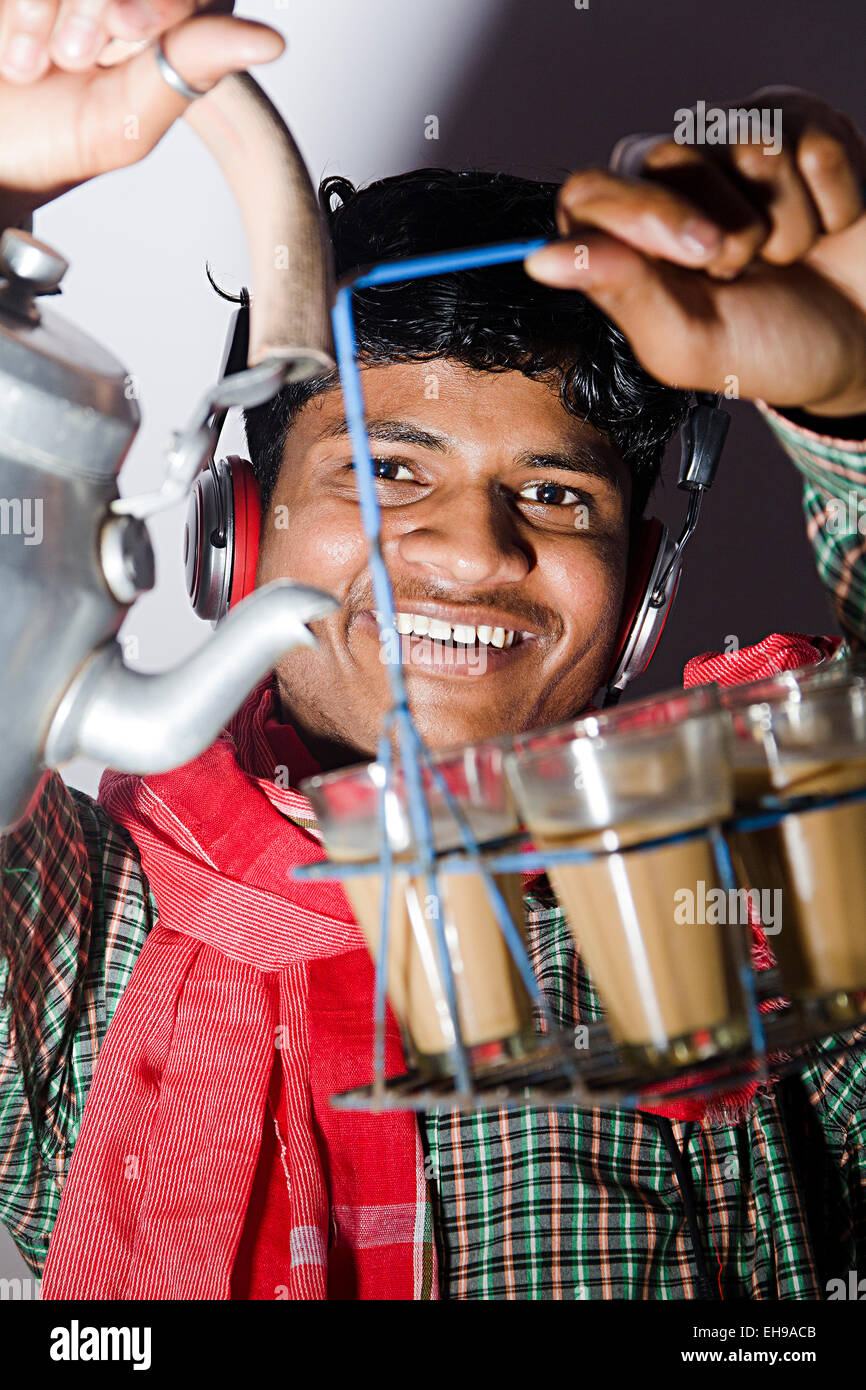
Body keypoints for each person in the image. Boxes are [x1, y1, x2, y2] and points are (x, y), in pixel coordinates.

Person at [1, 2, 865, 1300]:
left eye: (558, 493)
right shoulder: (81, 936)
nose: (469, 551)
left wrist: (854, 400)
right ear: (234, 536)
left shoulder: (762, 908)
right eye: (387, 469)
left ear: (638, 590)